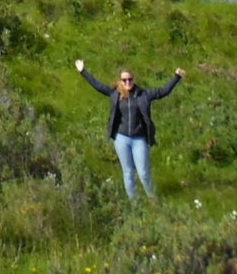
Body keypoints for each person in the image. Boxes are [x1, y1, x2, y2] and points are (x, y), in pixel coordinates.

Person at [75, 57, 183, 199]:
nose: (127, 82)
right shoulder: (115, 94)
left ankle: (153, 199)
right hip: (121, 139)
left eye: (130, 79)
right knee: (128, 172)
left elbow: (163, 91)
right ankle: (134, 203)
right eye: (124, 80)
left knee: (144, 173)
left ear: (134, 79)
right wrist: (83, 71)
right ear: (120, 81)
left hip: (139, 139)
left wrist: (176, 77)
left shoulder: (144, 95)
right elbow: (98, 86)